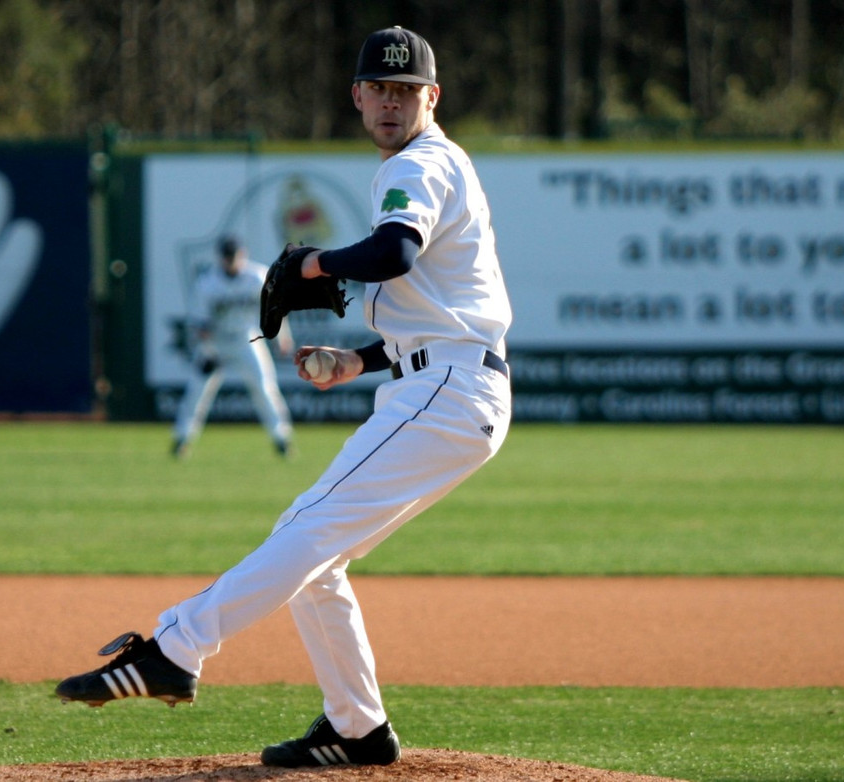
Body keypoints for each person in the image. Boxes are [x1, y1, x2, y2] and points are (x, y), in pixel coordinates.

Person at [56, 26, 512, 768]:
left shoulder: (421, 164)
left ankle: (177, 647)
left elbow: (394, 253)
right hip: (441, 381)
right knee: (315, 549)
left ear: (432, 97)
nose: (392, 102)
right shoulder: (434, 164)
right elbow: (439, 307)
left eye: (407, 91)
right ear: (358, 96)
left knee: (306, 526)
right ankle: (358, 728)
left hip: (449, 389)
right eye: (380, 89)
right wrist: (356, 358)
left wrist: (311, 263)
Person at [170, 235, 294, 458]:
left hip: (246, 340)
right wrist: (208, 351)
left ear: (243, 255)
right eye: (227, 257)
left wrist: (282, 338)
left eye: (234, 256)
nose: (231, 261)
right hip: (216, 343)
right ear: (220, 258)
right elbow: (201, 325)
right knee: (197, 392)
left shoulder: (257, 277)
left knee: (265, 387)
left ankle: (282, 439)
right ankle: (182, 438)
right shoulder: (208, 282)